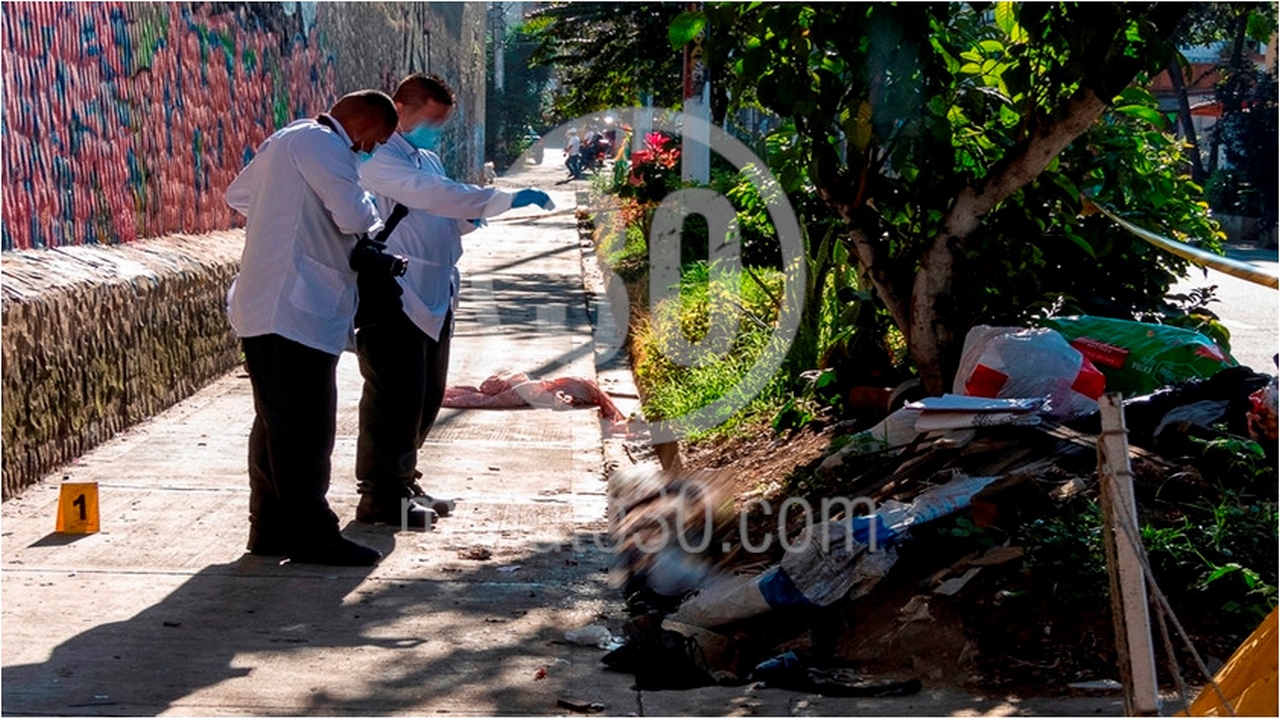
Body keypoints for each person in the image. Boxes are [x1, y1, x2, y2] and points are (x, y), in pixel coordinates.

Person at [353, 73, 552, 529]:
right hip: (396, 292)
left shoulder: (426, 158)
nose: (435, 130)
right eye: (431, 120)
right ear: (400, 107)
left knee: (425, 395)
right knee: (393, 397)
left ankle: (404, 481)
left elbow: (443, 211)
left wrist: (469, 219)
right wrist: (498, 199)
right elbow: (430, 197)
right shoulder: (378, 159)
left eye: (441, 123)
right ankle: (380, 494)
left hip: (435, 290)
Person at [224, 90, 398, 566]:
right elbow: (356, 216)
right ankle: (313, 535)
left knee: (276, 424)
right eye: (376, 141)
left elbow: (238, 196)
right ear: (362, 124)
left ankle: (269, 529)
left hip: (268, 304)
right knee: (306, 428)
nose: (370, 152)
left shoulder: (286, 139)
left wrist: (291, 215)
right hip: (295, 308)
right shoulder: (325, 146)